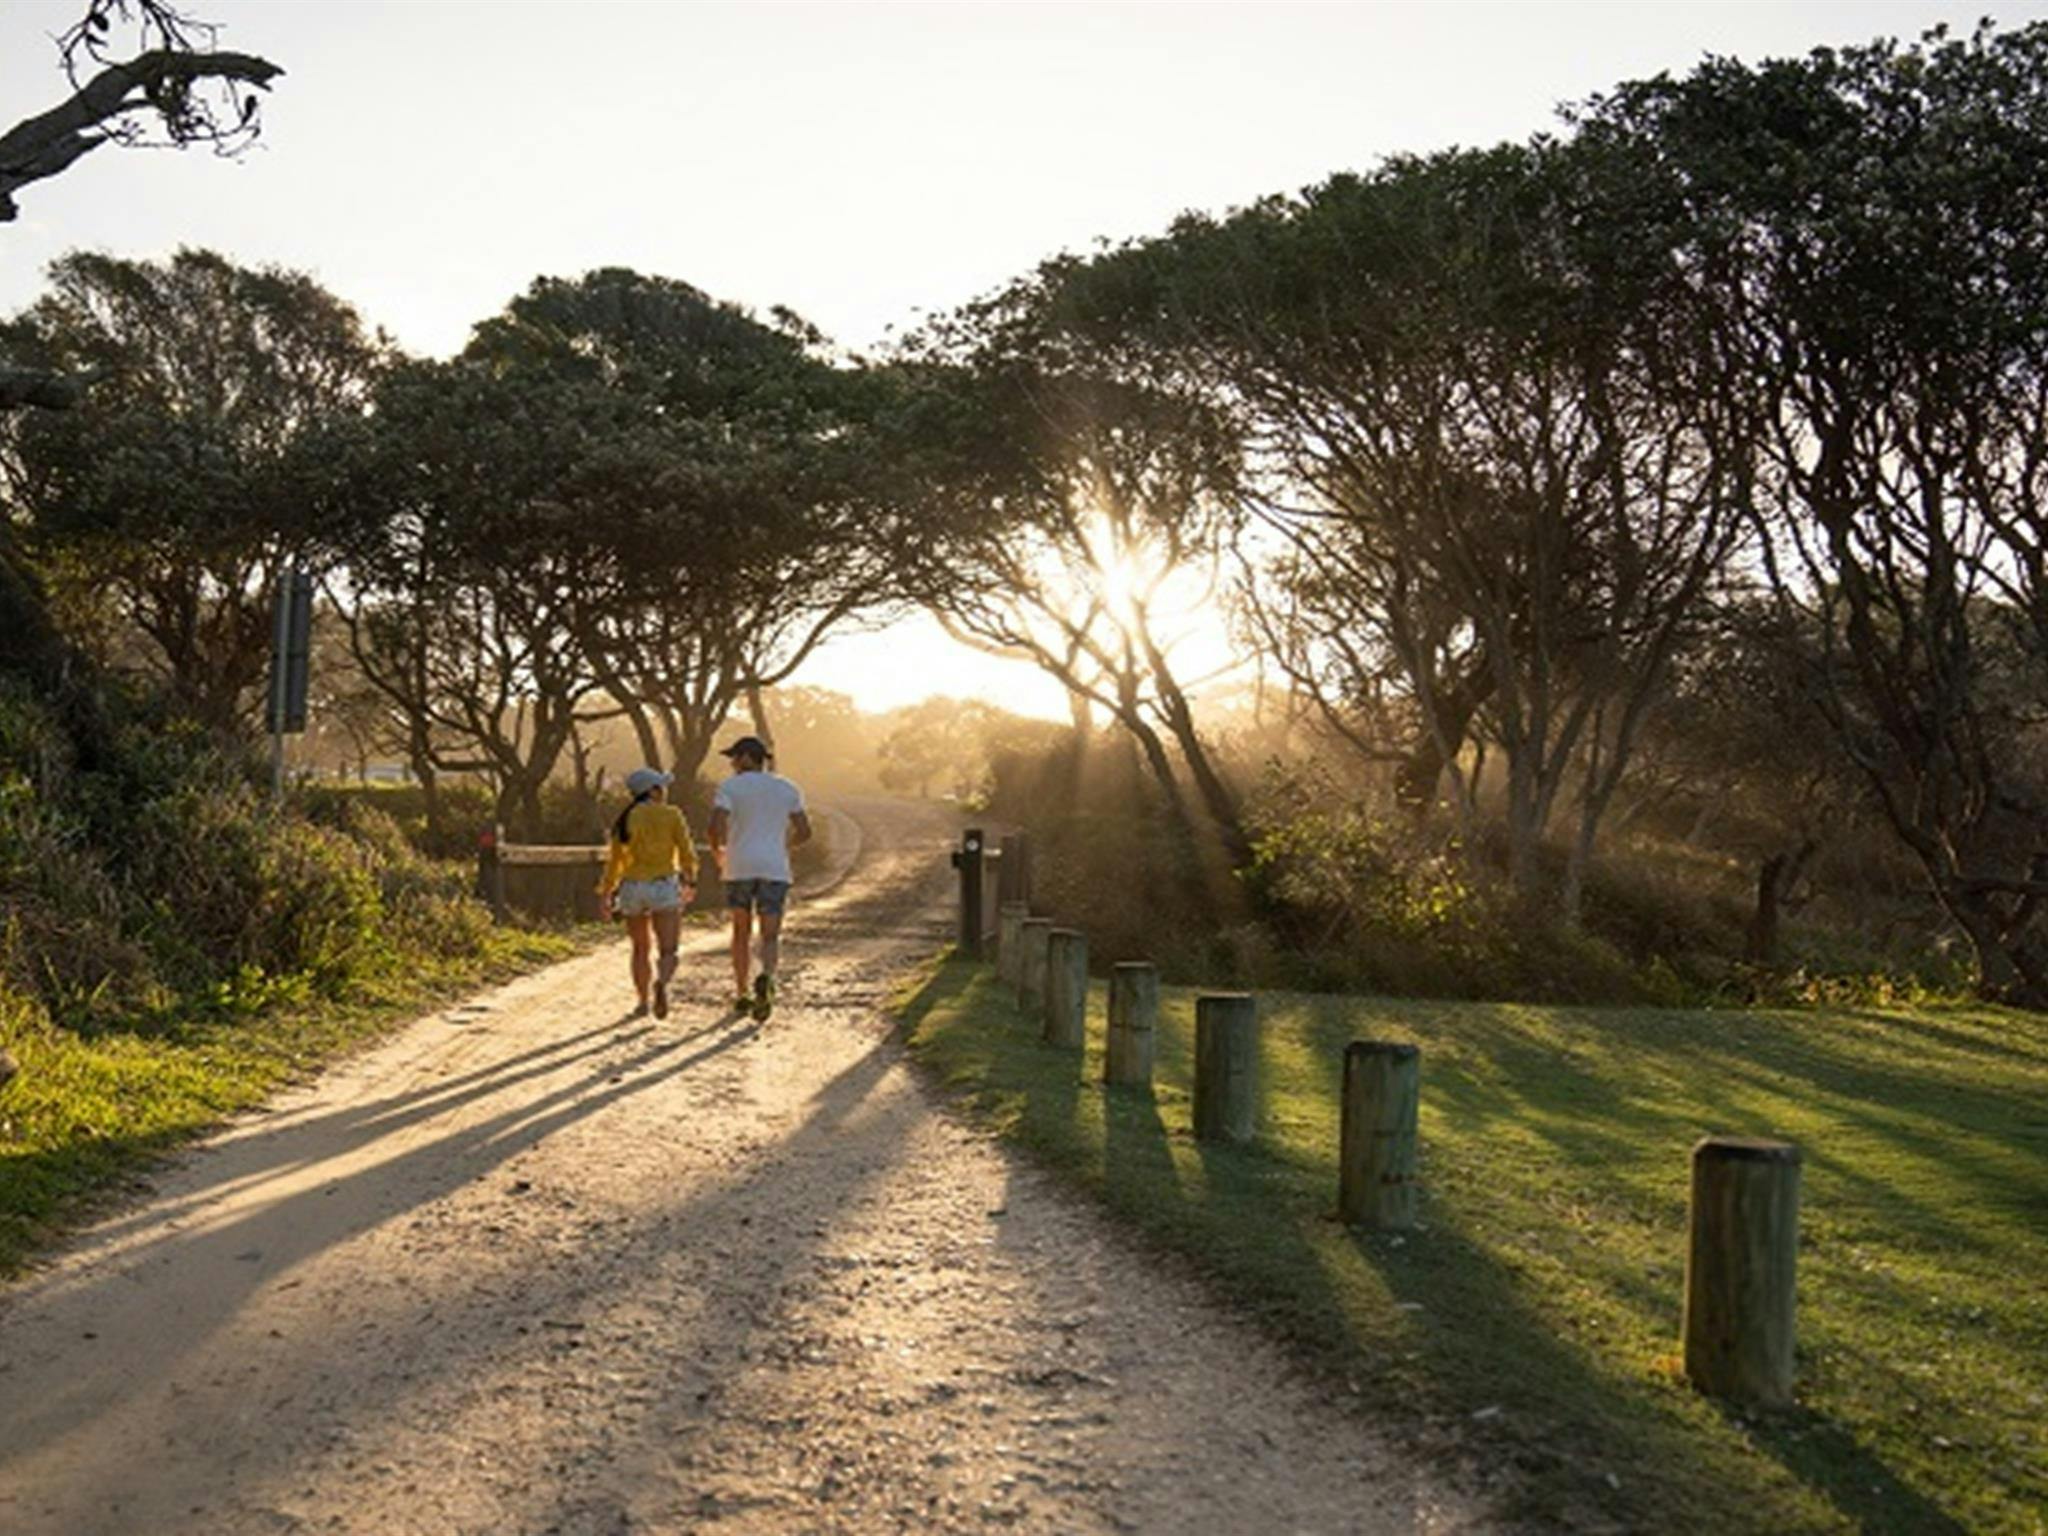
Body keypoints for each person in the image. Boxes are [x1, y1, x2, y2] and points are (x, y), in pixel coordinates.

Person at [707, 735, 811, 1020]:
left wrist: (718, 852)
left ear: (747, 757)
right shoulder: (788, 788)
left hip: (739, 865)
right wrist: (782, 847)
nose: (731, 763)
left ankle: (742, 993)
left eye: (734, 757)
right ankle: (766, 976)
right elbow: (805, 831)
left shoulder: (729, 787)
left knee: (741, 933)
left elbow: (715, 825)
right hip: (774, 868)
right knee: (770, 934)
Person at [597, 766, 698, 1020]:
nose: (664, 791)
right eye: (660, 787)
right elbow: (686, 852)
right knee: (668, 949)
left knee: (640, 948)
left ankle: (642, 1002)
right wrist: (690, 880)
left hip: (632, 887)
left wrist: (606, 893)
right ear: (652, 790)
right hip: (663, 885)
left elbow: (616, 860)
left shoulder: (626, 818)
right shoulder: (672, 814)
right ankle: (661, 983)